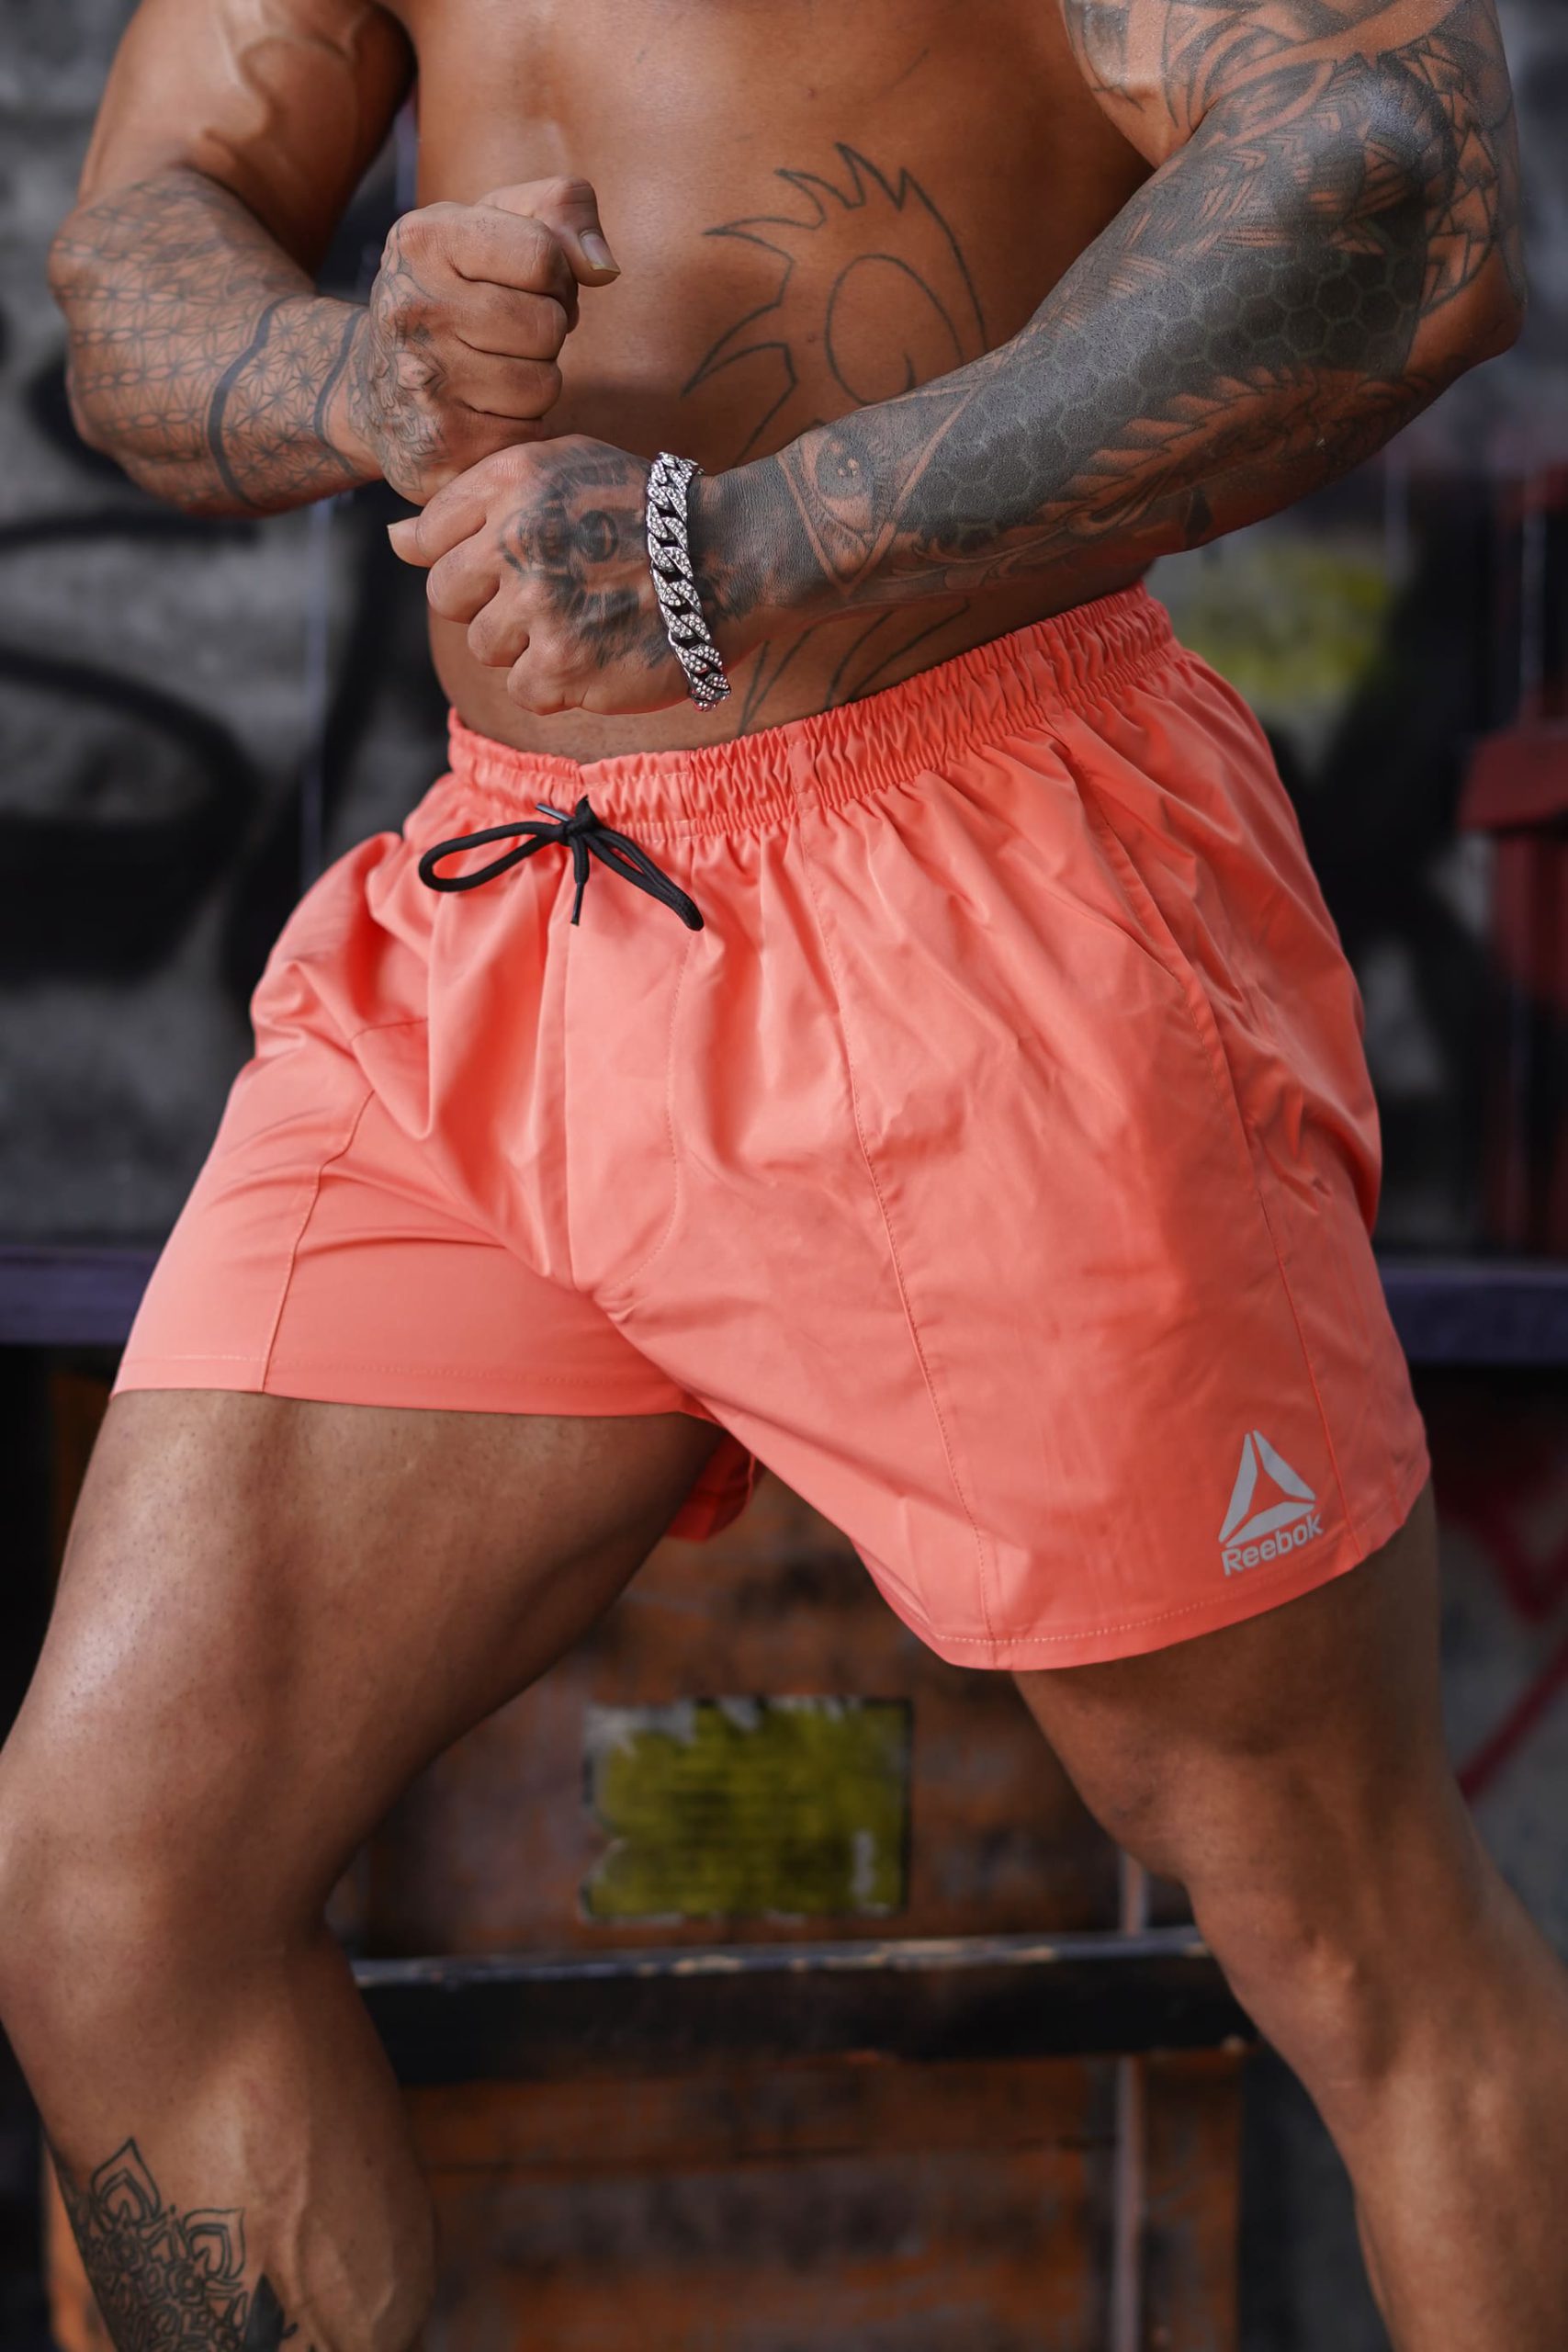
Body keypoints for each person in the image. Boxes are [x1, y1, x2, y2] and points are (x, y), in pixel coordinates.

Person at [3, 0, 1561, 2343]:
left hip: (974, 883)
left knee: (1350, 1935)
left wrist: (754, 538)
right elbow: (143, 233)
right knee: (116, 1879)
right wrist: (358, 378)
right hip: (512, 904)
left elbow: (1397, 175)